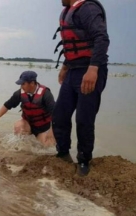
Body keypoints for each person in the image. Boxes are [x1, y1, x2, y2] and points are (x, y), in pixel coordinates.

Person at [52, 0, 110, 176]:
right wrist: (64, 67)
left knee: (84, 119)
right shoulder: (67, 11)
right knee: (60, 114)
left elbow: (102, 38)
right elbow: (72, 44)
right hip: (73, 70)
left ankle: (84, 160)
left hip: (90, 70)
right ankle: (63, 153)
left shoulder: (88, 8)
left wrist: (93, 69)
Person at [0, 71, 56, 146]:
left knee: (47, 145)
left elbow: (56, 114)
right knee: (18, 127)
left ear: (32, 83)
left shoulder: (46, 94)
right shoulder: (19, 94)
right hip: (27, 124)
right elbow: (7, 105)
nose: (21, 87)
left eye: (23, 84)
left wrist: (52, 130)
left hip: (43, 128)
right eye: (21, 84)